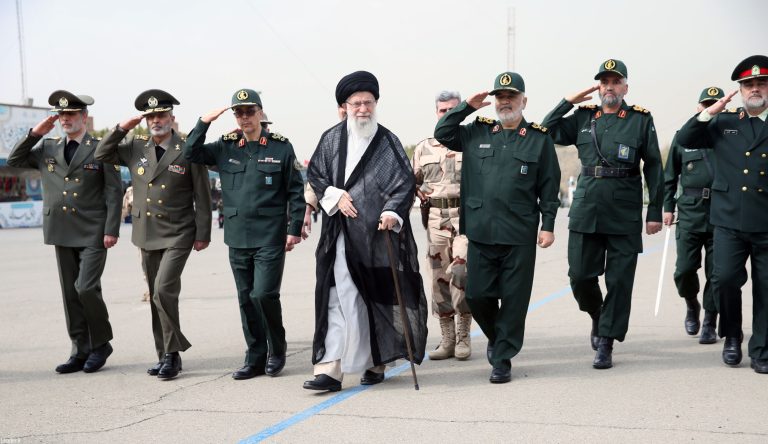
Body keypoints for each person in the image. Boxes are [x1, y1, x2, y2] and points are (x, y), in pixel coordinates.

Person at [303, 71, 428, 392]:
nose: (363, 109)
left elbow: (403, 182)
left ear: (376, 104)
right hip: (338, 236)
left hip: (375, 237)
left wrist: (391, 212)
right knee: (334, 296)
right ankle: (330, 369)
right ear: (344, 106)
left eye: (368, 102)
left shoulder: (387, 141)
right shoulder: (331, 139)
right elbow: (316, 175)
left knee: (371, 297)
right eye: (356, 103)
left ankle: (375, 361)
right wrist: (335, 195)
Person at [435, 72, 560, 383]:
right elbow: (443, 132)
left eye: (511, 96)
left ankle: (502, 358)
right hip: (481, 231)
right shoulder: (477, 131)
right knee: (477, 295)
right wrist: (466, 106)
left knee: (514, 301)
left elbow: (549, 186)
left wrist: (548, 225)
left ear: (523, 101)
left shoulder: (539, 139)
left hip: (519, 233)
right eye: (500, 97)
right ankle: (498, 337)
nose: (505, 102)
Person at [542, 59, 664, 369]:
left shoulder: (640, 119)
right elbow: (547, 131)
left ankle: (606, 341)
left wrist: (654, 210)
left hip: (624, 210)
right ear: (598, 86)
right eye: (604, 81)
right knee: (580, 276)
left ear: (625, 87)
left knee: (619, 281)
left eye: (615, 81)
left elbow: (653, 165)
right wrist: (567, 102)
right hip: (587, 207)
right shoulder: (583, 117)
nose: (609, 87)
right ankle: (598, 314)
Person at [184, 88, 305, 380]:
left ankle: (277, 350)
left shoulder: (280, 147)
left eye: (250, 111)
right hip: (237, 236)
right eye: (239, 112)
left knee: (263, 294)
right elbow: (190, 153)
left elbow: (295, 191)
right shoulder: (226, 146)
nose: (244, 117)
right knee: (245, 298)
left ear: (260, 113)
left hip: (270, 235)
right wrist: (203, 122)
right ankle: (255, 357)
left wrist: (294, 229)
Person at [95, 89, 212, 379]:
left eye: (161, 115)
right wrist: (121, 128)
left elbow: (202, 194)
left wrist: (203, 233)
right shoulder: (136, 146)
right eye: (150, 117)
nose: (155, 121)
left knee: (163, 290)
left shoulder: (187, 148)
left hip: (178, 231)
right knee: (156, 297)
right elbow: (101, 153)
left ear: (172, 118)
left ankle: (172, 353)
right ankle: (164, 354)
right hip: (146, 232)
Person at [7, 90, 122, 374]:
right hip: (62, 229)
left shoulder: (101, 148)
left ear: (84, 116)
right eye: (61, 115)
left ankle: (101, 344)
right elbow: (14, 159)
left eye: (70, 114)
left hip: (94, 230)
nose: (65, 119)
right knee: (70, 293)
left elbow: (113, 191)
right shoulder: (48, 147)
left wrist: (111, 229)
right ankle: (79, 349)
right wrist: (35, 133)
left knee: (86, 287)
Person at [676, 55, 768, 374]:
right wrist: (708, 113)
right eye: (748, 84)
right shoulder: (724, 122)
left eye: (761, 83)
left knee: (765, 288)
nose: (755, 89)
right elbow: (684, 139)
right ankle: (731, 336)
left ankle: (762, 349)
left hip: (765, 220)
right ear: (740, 90)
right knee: (725, 280)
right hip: (728, 220)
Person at [413, 90, 472, 361]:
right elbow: (410, 182)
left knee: (461, 271)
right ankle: (447, 339)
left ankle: (463, 334)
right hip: (436, 219)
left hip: (465, 218)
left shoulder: (471, 142)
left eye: (452, 110)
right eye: (442, 110)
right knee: (439, 280)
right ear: (436, 113)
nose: (447, 114)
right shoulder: (423, 148)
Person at [663, 87, 724, 344]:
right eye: (705, 104)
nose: (710, 108)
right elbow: (670, 176)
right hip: (689, 212)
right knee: (684, 270)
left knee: (717, 273)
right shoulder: (683, 137)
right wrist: (667, 207)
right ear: (699, 108)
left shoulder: (729, 136)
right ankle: (691, 304)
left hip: (721, 213)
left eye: (714, 104)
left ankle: (710, 320)